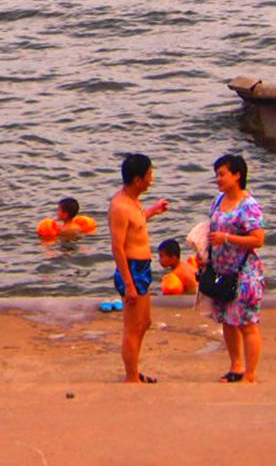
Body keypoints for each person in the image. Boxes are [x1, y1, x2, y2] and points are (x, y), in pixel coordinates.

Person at [108, 153, 169, 383]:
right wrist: (129, 284)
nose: (151, 179)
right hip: (131, 269)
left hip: (142, 267)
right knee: (133, 327)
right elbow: (118, 248)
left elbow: (138, 222)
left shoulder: (134, 200)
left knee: (145, 323)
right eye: (149, 175)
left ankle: (134, 370)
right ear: (137, 180)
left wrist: (153, 211)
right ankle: (131, 377)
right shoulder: (119, 206)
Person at [207, 152, 265, 383]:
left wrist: (227, 238)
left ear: (237, 175)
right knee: (227, 321)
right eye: (217, 175)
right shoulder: (218, 201)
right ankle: (236, 366)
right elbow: (211, 232)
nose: (218, 179)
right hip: (222, 271)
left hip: (244, 273)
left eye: (222, 174)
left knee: (247, 323)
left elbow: (258, 239)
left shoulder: (248, 206)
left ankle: (250, 373)